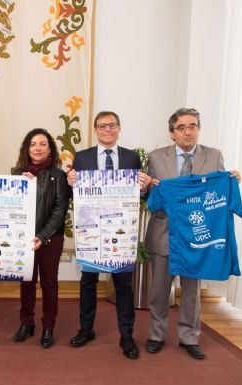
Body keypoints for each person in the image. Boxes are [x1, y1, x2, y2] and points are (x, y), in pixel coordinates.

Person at [144, 108, 240, 360]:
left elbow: (218, 195)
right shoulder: (156, 157)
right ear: (172, 133)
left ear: (198, 129)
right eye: (181, 127)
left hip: (197, 236)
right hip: (164, 232)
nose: (188, 131)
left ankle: (189, 337)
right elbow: (148, 196)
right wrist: (146, 187)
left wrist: (233, 182)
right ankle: (156, 334)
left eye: (193, 126)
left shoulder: (214, 156)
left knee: (191, 291)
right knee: (159, 289)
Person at [66, 111, 151, 359]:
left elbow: (140, 194)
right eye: (102, 126)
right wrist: (70, 182)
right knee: (88, 282)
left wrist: (143, 187)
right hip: (91, 231)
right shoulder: (81, 158)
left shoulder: (131, 157)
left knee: (123, 285)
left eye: (112, 125)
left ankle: (126, 335)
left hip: (120, 232)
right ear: (95, 130)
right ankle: (86, 329)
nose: (107, 129)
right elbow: (74, 196)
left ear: (119, 128)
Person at [11, 128, 70, 349]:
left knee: (49, 283)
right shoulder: (17, 174)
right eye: (33, 144)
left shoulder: (59, 175)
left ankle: (48, 327)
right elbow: (10, 206)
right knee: (26, 281)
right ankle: (26, 323)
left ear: (50, 149)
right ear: (27, 149)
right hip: (23, 238)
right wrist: (23, 186)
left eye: (42, 144)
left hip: (50, 238)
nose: (37, 148)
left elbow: (60, 210)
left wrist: (42, 236)